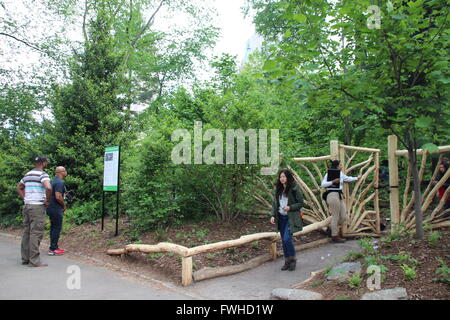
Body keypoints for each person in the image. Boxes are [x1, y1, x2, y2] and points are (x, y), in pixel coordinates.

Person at [16, 156, 52, 267]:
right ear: (43, 163)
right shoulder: (43, 175)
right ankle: (34, 261)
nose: (47, 164)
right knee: (36, 233)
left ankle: (25, 258)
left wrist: (25, 198)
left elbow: (19, 187)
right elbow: (49, 187)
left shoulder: (27, 174)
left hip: (27, 206)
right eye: (46, 162)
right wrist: (47, 200)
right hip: (37, 206)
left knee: (27, 232)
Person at [269, 169, 304, 271]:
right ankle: (287, 261)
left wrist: (290, 207)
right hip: (281, 218)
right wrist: (272, 215)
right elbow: (275, 204)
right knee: (284, 242)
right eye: (280, 177)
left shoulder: (294, 188)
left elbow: (300, 203)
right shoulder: (278, 189)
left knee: (286, 239)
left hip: (291, 218)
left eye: (284, 176)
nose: (282, 179)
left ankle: (292, 260)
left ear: (288, 177)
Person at [321, 160, 360, 243]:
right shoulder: (329, 174)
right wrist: (332, 182)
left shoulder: (341, 174)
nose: (342, 166)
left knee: (343, 217)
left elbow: (347, 178)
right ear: (337, 166)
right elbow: (323, 184)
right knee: (335, 216)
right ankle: (334, 236)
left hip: (340, 195)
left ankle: (331, 228)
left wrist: (357, 178)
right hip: (332, 194)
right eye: (341, 165)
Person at [46, 166, 68, 256]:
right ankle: (53, 249)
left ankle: (53, 246)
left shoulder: (53, 181)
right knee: (56, 228)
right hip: (56, 208)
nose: (66, 172)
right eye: (65, 170)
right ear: (60, 172)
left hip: (50, 207)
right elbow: (58, 196)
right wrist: (64, 205)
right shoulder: (59, 182)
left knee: (53, 227)